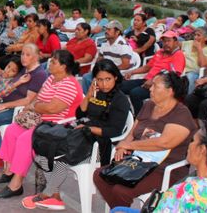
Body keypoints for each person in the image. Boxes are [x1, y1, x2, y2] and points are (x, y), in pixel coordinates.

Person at [23, 59, 131, 210]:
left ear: (116, 78)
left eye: (108, 79)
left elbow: (115, 131)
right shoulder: (96, 93)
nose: (104, 84)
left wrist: (88, 129)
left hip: (99, 145)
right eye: (100, 79)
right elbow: (80, 113)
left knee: (60, 158)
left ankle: (47, 194)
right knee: (42, 155)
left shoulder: (120, 100)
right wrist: (88, 95)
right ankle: (55, 197)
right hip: (80, 137)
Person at [93, 71, 196, 209]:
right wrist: (124, 145)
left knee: (121, 190)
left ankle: (120, 211)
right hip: (137, 161)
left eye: (155, 86)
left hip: (163, 168)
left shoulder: (181, 114)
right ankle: (120, 211)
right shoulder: (148, 105)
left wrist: (130, 145)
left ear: (169, 91)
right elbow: (133, 131)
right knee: (100, 175)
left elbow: (164, 143)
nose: (150, 89)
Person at [0, 50, 84, 199]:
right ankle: (9, 171)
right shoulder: (51, 79)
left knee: (25, 139)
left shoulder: (69, 84)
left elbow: (53, 108)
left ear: (63, 66)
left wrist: (34, 107)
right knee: (12, 130)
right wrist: (32, 107)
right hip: (41, 119)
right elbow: (39, 98)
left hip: (57, 126)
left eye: (54, 62)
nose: (50, 63)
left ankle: (16, 184)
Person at [111, 121, 207, 213]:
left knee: (117, 211)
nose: (189, 145)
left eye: (193, 141)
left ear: (202, 150)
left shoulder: (186, 190)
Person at [121, 31, 185, 114]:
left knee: (135, 93)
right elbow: (147, 67)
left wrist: (154, 81)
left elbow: (174, 75)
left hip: (161, 85)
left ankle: (140, 118)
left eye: (168, 41)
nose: (165, 43)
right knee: (120, 86)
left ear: (176, 42)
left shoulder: (178, 55)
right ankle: (126, 112)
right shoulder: (160, 52)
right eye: (164, 41)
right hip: (147, 80)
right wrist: (131, 72)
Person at [81, 20, 135, 92]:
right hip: (105, 70)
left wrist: (109, 70)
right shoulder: (105, 43)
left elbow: (125, 65)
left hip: (118, 73)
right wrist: (95, 69)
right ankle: (89, 99)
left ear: (117, 32)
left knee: (93, 80)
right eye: (106, 29)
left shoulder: (123, 45)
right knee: (86, 77)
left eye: (109, 29)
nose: (106, 31)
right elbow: (99, 59)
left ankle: (96, 99)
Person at [181, 26, 207, 94]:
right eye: (195, 35)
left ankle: (186, 100)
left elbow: (202, 65)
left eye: (198, 35)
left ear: (206, 38)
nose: (195, 37)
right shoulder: (188, 43)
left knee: (190, 77)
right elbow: (174, 45)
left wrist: (199, 48)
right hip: (181, 70)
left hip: (195, 73)